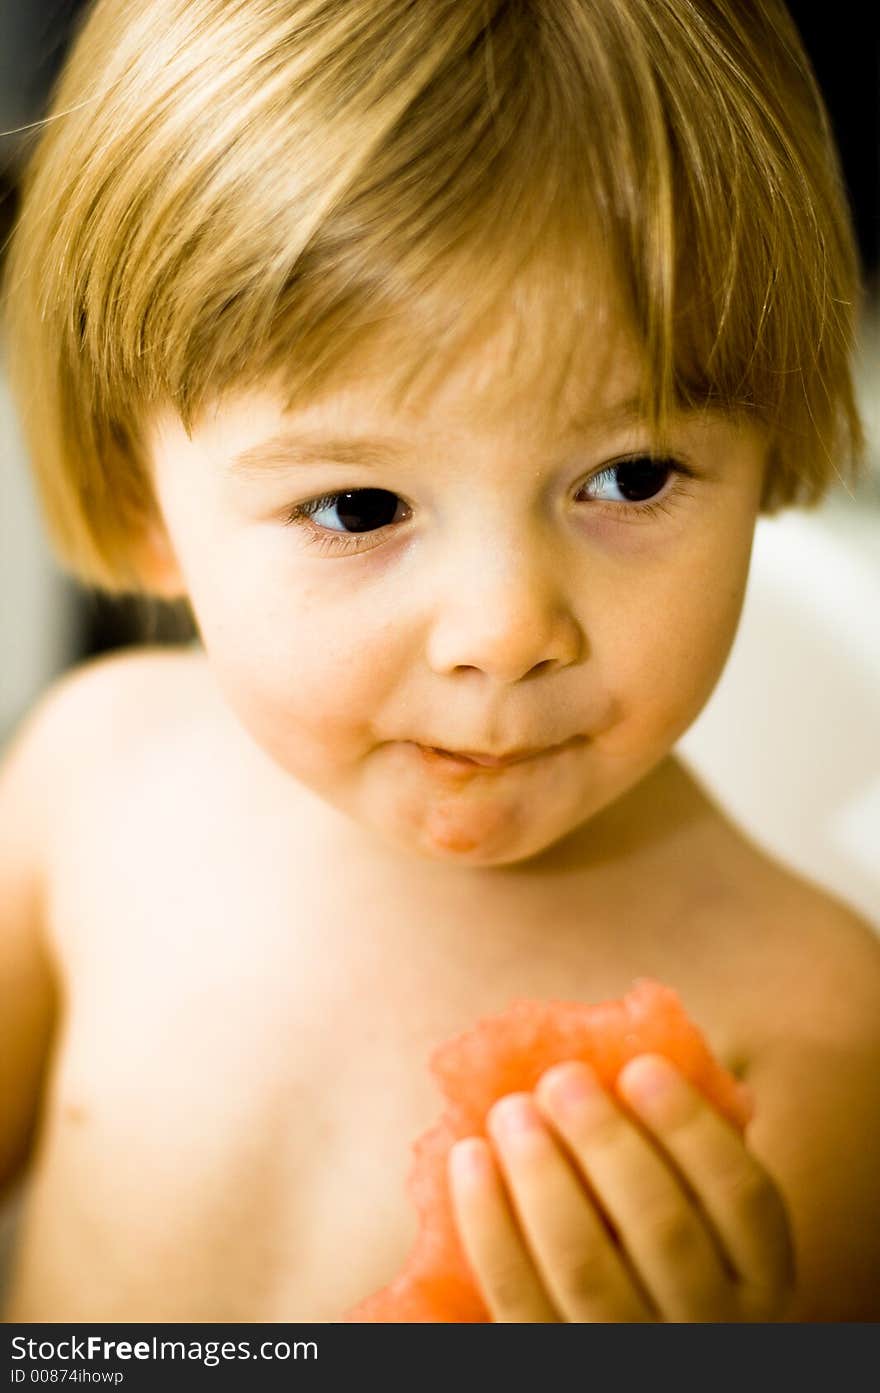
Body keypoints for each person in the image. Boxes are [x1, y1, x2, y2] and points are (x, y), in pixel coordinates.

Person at [1, 0, 878, 1323]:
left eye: (629, 476)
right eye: (360, 507)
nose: (506, 628)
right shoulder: (92, 776)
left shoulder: (815, 1032)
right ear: (142, 498)